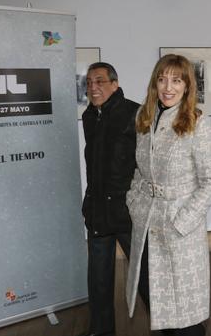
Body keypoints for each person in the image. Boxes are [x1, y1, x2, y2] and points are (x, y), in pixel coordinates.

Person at [125, 54, 211, 336]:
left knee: (184, 316)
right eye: (162, 79)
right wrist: (134, 201)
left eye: (176, 80)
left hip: (179, 231)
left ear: (187, 86)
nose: (168, 87)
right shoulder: (144, 119)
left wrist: (180, 223)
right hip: (145, 228)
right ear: (154, 84)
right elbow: (139, 170)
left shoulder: (199, 123)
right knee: (156, 306)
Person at [81, 62, 149, 336]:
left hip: (127, 212)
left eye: (99, 81)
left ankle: (169, 329)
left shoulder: (135, 114)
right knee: (98, 279)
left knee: (144, 277)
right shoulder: (89, 116)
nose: (93, 88)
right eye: (88, 83)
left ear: (114, 84)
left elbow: (147, 164)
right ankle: (100, 330)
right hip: (97, 211)